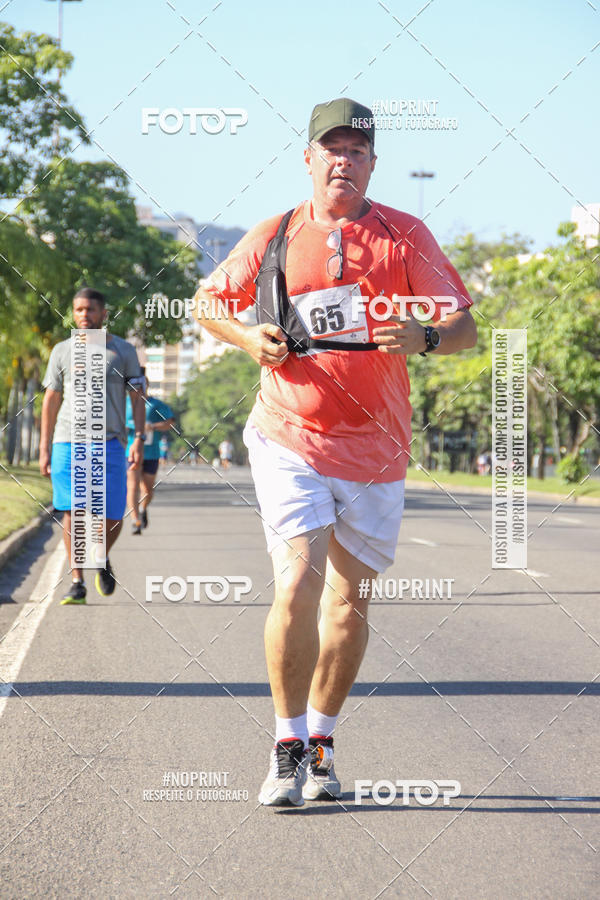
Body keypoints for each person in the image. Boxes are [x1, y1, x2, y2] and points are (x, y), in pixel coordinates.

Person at [195, 98, 477, 806]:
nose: (344, 160)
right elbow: (208, 303)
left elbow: (465, 325)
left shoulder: (405, 235)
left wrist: (428, 338)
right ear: (310, 158)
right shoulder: (276, 232)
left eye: (357, 150)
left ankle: (322, 740)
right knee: (297, 581)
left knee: (350, 604)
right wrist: (246, 338)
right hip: (288, 431)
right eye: (333, 148)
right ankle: (286, 744)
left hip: (377, 448)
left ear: (373, 163)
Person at [40, 288, 145, 604]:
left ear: (104, 314)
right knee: (73, 509)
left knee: (112, 516)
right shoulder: (62, 351)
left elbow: (138, 398)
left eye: (90, 310)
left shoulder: (124, 352)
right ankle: (77, 582)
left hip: (109, 443)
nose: (84, 316)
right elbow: (51, 400)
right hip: (67, 441)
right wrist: (44, 448)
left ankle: (100, 557)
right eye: (78, 310)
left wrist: (139, 437)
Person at [125, 371, 175, 534]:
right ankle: (135, 520)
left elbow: (170, 423)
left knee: (147, 489)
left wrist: (152, 426)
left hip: (151, 453)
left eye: (142, 384)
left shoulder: (156, 405)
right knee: (132, 486)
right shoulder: (124, 404)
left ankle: (143, 509)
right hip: (130, 451)